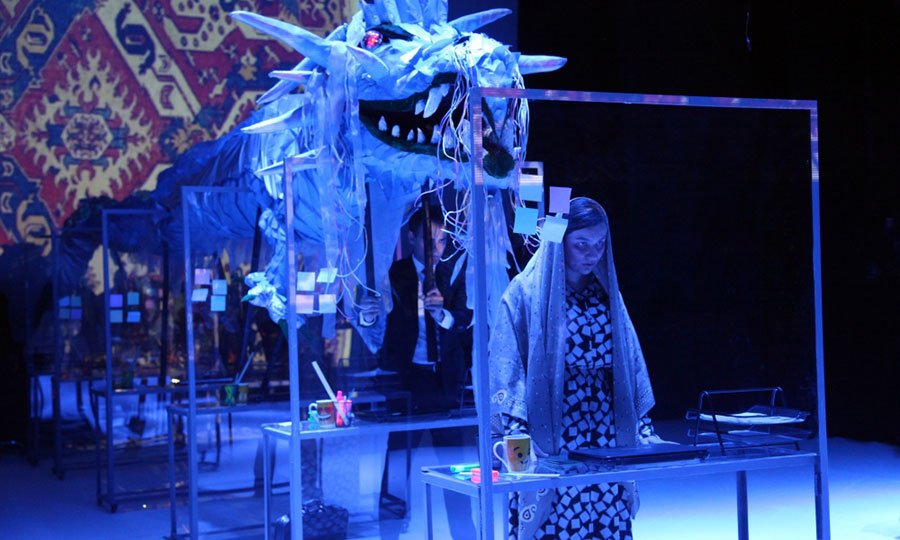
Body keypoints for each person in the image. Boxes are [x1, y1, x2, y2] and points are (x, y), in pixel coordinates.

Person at [490, 196, 662, 540]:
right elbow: (508, 372)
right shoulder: (524, 293)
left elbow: (630, 367)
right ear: (560, 240)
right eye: (581, 243)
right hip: (551, 437)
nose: (592, 253)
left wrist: (642, 430)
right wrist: (518, 443)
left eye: (600, 244)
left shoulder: (607, 294)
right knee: (554, 525)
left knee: (605, 522)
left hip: (606, 436)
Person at [358, 204, 475, 539]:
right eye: (428, 240)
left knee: (457, 466)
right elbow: (376, 326)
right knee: (398, 460)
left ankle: (465, 533)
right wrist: (367, 315)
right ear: (411, 237)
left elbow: (465, 319)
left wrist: (442, 315)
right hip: (407, 382)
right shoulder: (394, 274)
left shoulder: (454, 272)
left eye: (441, 241)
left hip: (445, 382)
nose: (435, 248)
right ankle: (389, 533)